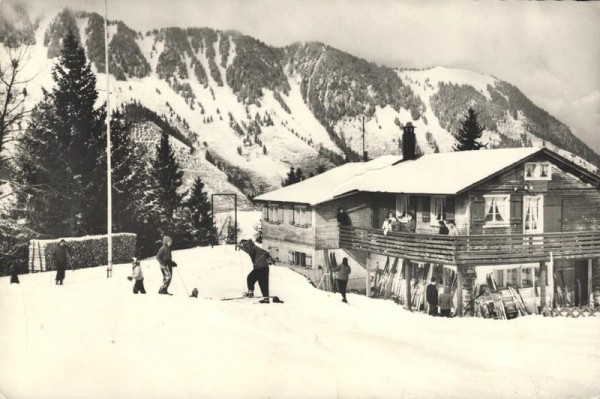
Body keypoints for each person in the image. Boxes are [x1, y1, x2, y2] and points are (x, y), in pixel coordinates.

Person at [240, 239, 276, 303]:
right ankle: (266, 299)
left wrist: (242, 248)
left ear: (247, 244)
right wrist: (269, 259)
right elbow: (266, 252)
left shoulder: (252, 249)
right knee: (263, 283)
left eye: (244, 244)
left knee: (250, 278)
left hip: (259, 268)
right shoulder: (255, 247)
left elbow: (249, 251)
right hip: (265, 268)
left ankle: (251, 292)